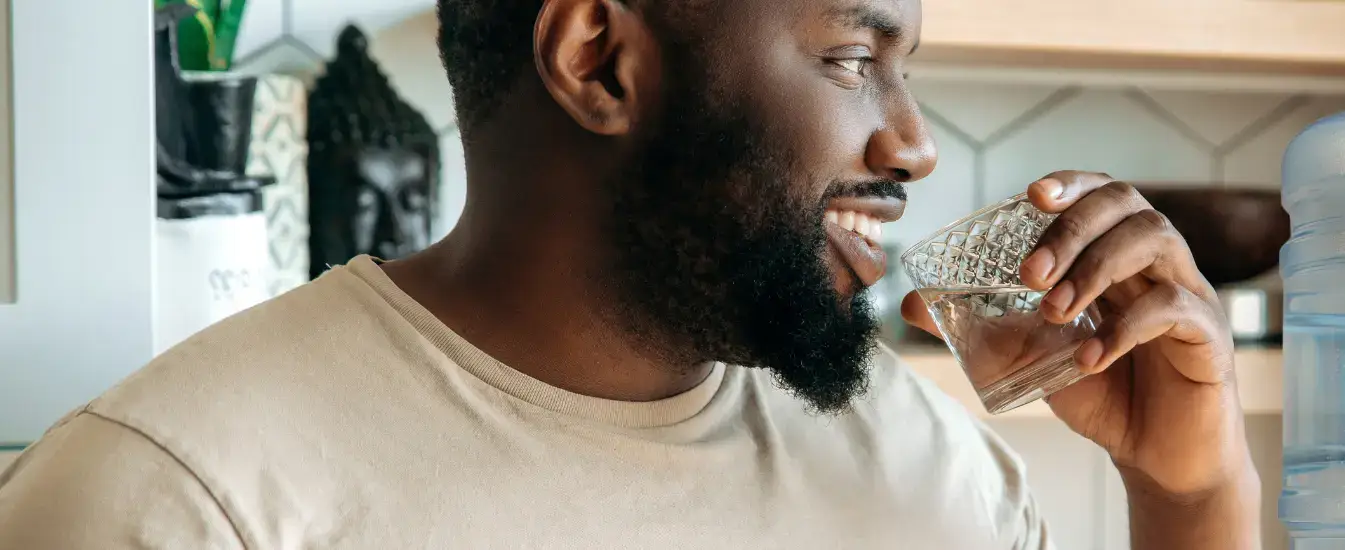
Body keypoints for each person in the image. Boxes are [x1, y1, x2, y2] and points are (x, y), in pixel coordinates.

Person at [0, 0, 1258, 548]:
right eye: (849, 60)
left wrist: (1193, 492)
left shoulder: (929, 466)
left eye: (908, 69)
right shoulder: (177, 505)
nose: (913, 143)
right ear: (599, 58)